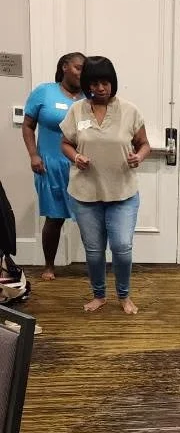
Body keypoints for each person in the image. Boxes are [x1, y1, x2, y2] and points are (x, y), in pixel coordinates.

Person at [60, 56, 150, 315]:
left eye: (106, 82)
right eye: (95, 83)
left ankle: (124, 295)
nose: (101, 88)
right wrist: (76, 156)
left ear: (113, 83)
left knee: (122, 247)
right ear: (87, 84)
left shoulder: (130, 110)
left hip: (122, 193)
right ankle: (99, 295)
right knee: (94, 250)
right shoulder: (77, 111)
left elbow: (144, 144)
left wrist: (139, 156)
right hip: (86, 194)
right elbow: (65, 143)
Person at [22, 52, 85, 279]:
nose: (82, 73)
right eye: (78, 68)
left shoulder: (89, 97)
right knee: (54, 217)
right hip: (49, 165)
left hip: (81, 166)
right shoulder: (44, 92)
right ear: (64, 67)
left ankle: (94, 264)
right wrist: (33, 155)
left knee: (89, 217)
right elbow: (28, 125)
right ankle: (49, 265)